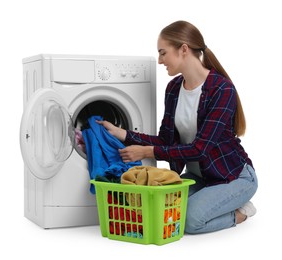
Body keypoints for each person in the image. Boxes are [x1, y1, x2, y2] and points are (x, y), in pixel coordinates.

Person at [97, 20, 258, 234]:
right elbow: (166, 140)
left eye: (163, 53)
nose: (159, 60)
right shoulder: (173, 88)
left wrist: (147, 151)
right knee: (162, 210)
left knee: (190, 221)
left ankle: (241, 212)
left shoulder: (221, 89)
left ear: (183, 49)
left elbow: (200, 149)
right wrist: (123, 133)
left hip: (233, 176)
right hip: (201, 177)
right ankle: (215, 202)